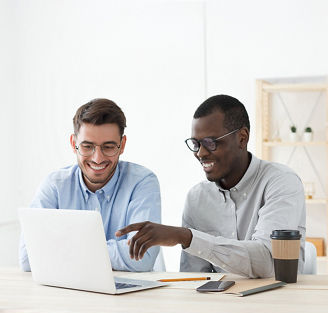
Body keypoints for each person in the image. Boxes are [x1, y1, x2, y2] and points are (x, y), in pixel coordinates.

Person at [116, 94, 306, 278]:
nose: (200, 153)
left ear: (242, 138)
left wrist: (187, 237)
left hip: (276, 305)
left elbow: (267, 262)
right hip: (220, 306)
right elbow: (194, 279)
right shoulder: (197, 198)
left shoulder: (281, 182)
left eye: (210, 143)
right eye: (196, 144)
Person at [19, 98, 161, 272]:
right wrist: (109, 252)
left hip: (132, 294)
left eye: (108, 147)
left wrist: (63, 248)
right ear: (74, 144)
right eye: (87, 146)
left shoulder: (142, 182)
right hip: (71, 292)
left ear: (122, 145)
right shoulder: (55, 185)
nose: (97, 158)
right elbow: (28, 257)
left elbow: (142, 258)